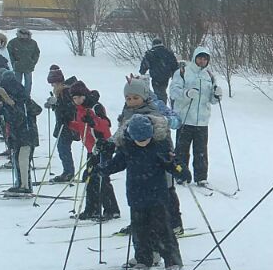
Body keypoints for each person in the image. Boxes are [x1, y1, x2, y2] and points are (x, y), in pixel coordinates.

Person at [100, 113, 185, 270]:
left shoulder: (159, 147)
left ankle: (173, 264)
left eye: (146, 138)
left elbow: (172, 164)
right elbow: (117, 164)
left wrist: (180, 170)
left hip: (157, 197)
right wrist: (103, 167)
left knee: (163, 232)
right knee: (140, 232)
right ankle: (143, 262)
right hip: (136, 197)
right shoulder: (127, 148)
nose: (143, 142)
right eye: (139, 139)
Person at [114, 75, 184, 236]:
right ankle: (139, 224)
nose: (132, 100)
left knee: (166, 188)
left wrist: (162, 121)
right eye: (128, 97)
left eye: (135, 97)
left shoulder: (156, 105)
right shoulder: (128, 109)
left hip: (159, 154)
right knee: (141, 193)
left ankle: (174, 223)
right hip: (137, 157)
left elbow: (176, 120)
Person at [168, 46, 222, 187]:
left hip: (202, 121)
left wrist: (217, 95)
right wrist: (186, 93)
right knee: (181, 151)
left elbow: (212, 100)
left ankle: (201, 177)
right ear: (194, 58)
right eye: (200, 58)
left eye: (205, 59)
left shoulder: (209, 75)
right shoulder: (183, 72)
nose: (202, 61)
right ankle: (181, 175)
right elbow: (173, 91)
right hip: (185, 119)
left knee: (201, 152)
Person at [67, 81, 119, 221]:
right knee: (90, 179)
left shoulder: (95, 107)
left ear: (85, 94)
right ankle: (92, 209)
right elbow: (81, 127)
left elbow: (106, 125)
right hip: (92, 148)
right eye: (74, 98)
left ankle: (111, 210)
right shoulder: (79, 109)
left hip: (103, 146)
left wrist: (93, 122)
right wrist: (69, 123)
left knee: (101, 178)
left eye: (80, 97)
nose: (77, 100)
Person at [0, 71, 40, 194]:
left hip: (24, 134)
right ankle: (21, 184)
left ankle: (24, 186)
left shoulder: (17, 99)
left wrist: (8, 106)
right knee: (19, 159)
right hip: (24, 134)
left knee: (22, 160)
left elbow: (18, 118)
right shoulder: (21, 95)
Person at [44, 65, 77, 183]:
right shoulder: (62, 91)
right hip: (63, 124)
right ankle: (67, 171)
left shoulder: (65, 91)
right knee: (63, 148)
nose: (52, 85)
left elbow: (68, 109)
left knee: (63, 148)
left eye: (53, 83)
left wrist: (56, 104)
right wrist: (54, 105)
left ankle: (68, 172)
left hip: (67, 125)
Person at [139, 37, 179, 106]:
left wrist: (142, 72)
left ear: (153, 44)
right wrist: (174, 75)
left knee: (158, 93)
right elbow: (174, 65)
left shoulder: (150, 53)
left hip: (156, 77)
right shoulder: (168, 52)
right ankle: (163, 105)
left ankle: (161, 107)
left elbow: (144, 66)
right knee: (162, 91)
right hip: (166, 76)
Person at [7, 27, 40, 96]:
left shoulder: (33, 43)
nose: (24, 35)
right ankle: (17, 96)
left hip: (28, 67)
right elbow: (9, 53)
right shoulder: (13, 42)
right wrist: (13, 63)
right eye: (22, 34)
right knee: (17, 83)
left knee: (28, 83)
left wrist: (33, 62)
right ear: (19, 34)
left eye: (26, 34)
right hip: (17, 67)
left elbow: (36, 53)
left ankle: (27, 97)